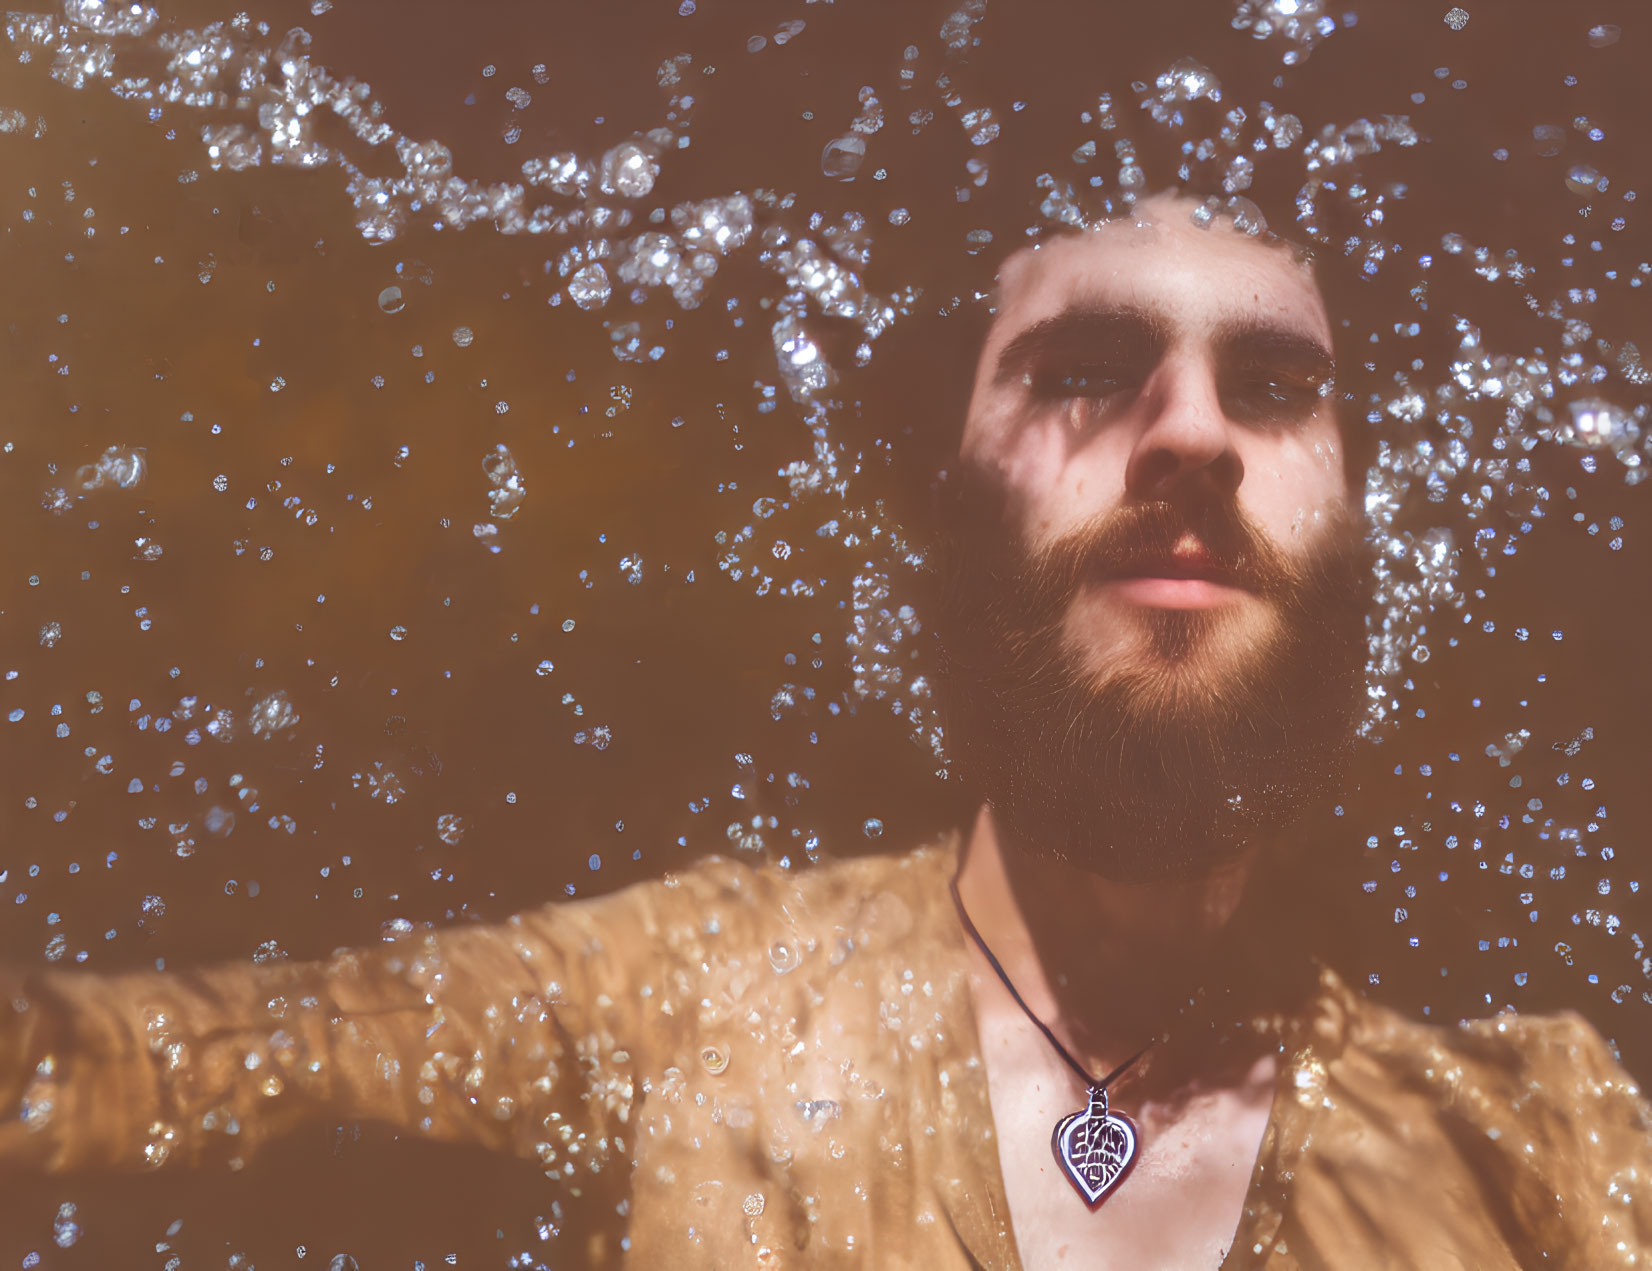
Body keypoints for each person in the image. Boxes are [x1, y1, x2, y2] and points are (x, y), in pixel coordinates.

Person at [3, 192, 1647, 1270]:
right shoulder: (688, 1003)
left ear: (1356, 524)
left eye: (1278, 385)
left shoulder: (1540, 1139)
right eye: (1085, 369)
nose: (1194, 433)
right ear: (948, 499)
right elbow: (115, 1071)